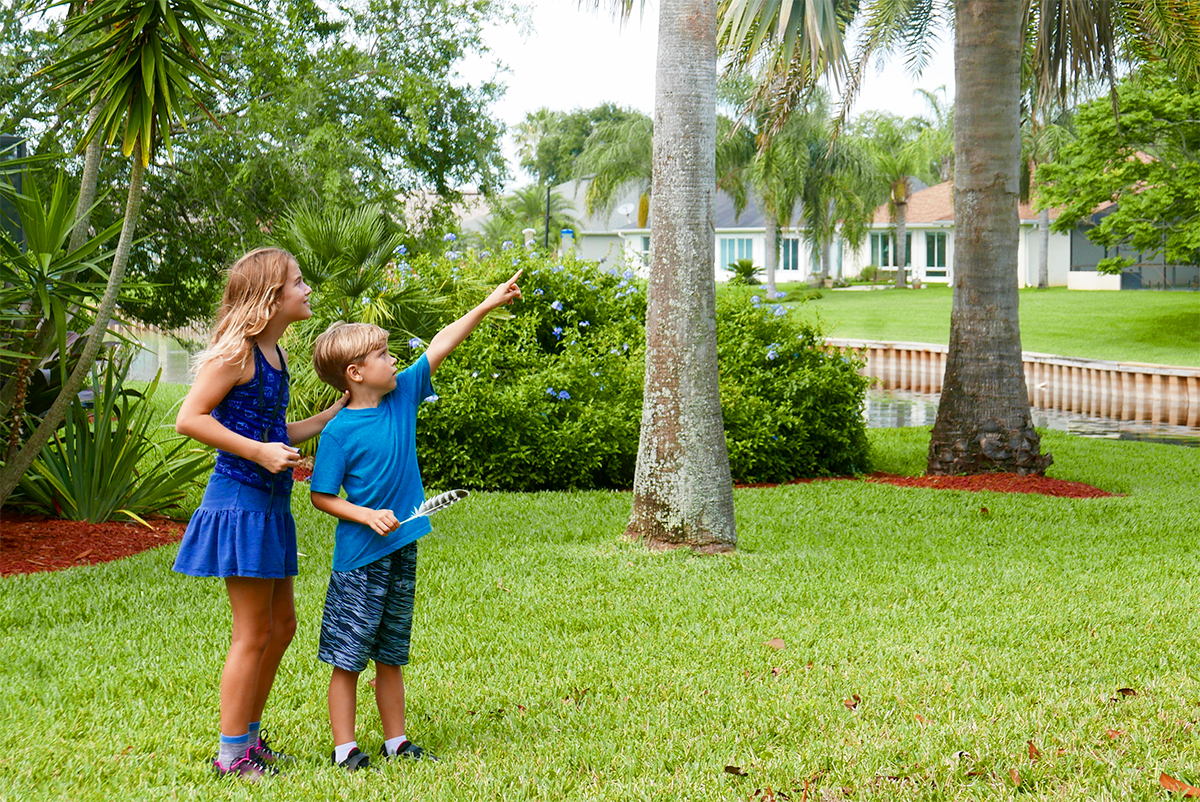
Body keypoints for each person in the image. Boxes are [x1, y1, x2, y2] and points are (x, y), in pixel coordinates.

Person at [309, 270, 522, 772]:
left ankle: (396, 740)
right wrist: (365, 514)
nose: (393, 359)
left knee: (391, 650)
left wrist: (487, 303)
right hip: (360, 559)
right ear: (356, 373)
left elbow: (442, 342)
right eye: (382, 355)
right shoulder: (339, 431)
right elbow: (321, 496)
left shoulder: (403, 394)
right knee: (348, 656)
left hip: (403, 547)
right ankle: (345, 749)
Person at [173, 247, 347, 779]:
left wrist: (331, 415)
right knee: (252, 632)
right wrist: (258, 453)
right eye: (298, 283)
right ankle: (231, 756)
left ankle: (249, 739)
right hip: (239, 503)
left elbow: (274, 433)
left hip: (270, 505)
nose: (307, 290)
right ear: (271, 298)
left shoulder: (276, 355)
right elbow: (189, 419)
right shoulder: (237, 353)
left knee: (282, 625)